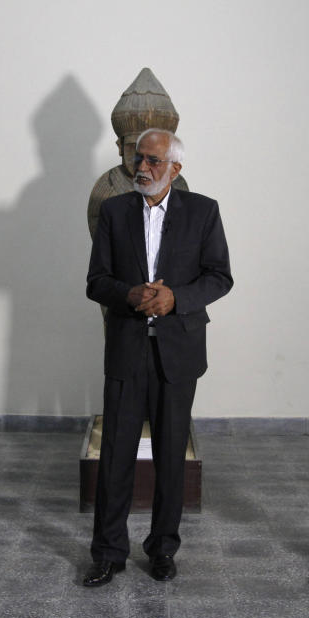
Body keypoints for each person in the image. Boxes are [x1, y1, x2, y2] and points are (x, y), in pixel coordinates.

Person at [83, 129, 232, 587]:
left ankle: (163, 549)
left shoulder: (203, 212)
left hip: (178, 351)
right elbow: (96, 281)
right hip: (127, 348)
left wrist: (176, 299)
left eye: (152, 161)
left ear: (175, 169)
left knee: (171, 456)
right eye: (137, 159)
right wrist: (131, 294)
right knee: (115, 458)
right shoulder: (112, 211)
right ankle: (109, 553)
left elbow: (219, 277)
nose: (141, 168)